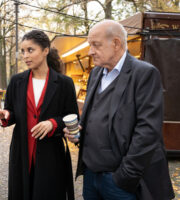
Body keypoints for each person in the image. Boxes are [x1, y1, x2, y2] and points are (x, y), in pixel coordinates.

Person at [64, 20, 174, 200]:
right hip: (91, 176)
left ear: (116, 43)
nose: (90, 51)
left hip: (120, 181)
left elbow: (147, 131)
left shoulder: (144, 73)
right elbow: (94, 119)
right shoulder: (95, 73)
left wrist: (124, 177)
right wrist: (78, 134)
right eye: (90, 45)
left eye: (95, 45)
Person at [0, 30, 78, 200]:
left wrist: (53, 123)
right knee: (21, 192)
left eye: (30, 50)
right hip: (22, 150)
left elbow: (73, 117)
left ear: (45, 50)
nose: (25, 56)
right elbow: (12, 112)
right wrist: (5, 116)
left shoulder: (64, 83)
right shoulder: (16, 81)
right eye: (22, 51)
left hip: (51, 153)